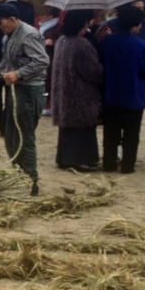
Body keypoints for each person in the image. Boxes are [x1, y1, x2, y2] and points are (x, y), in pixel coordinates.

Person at [0, 3, 50, 195]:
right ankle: (18, 174)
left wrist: (19, 73)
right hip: (15, 91)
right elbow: (5, 62)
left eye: (1, 23)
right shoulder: (7, 37)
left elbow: (42, 61)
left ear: (12, 19)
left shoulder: (29, 34)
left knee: (24, 136)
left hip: (29, 91)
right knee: (10, 134)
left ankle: (31, 181)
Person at [99, 2, 145, 174]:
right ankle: (128, 165)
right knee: (131, 134)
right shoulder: (140, 45)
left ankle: (109, 163)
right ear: (135, 25)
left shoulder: (107, 41)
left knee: (111, 132)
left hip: (111, 94)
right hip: (133, 95)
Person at [49, 10, 103, 172]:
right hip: (79, 93)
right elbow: (93, 72)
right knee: (82, 129)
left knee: (67, 130)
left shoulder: (62, 41)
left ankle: (65, 159)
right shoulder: (81, 44)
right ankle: (80, 160)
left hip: (62, 91)